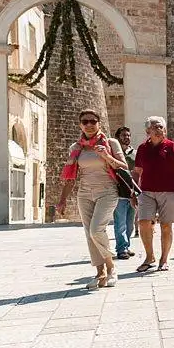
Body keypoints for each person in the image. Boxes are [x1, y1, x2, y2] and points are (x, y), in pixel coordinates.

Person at [56, 110, 128, 290]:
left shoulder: (111, 143)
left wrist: (106, 156)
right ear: (80, 125)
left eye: (92, 121)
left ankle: (111, 268)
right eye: (85, 121)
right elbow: (71, 177)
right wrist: (62, 200)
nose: (89, 125)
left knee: (97, 230)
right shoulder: (76, 148)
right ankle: (100, 273)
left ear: (99, 123)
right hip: (85, 193)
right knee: (89, 234)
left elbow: (124, 166)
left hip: (107, 190)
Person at [133, 116, 174, 273]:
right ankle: (149, 257)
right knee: (143, 222)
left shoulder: (171, 147)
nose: (160, 130)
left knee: (166, 225)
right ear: (148, 131)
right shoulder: (142, 148)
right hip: (146, 191)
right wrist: (132, 191)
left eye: (162, 127)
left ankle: (164, 259)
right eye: (156, 127)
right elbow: (137, 171)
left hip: (168, 191)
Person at [112, 126, 137, 259]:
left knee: (130, 223)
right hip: (119, 192)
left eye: (128, 135)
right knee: (120, 222)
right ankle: (121, 249)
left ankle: (126, 246)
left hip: (133, 191)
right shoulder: (113, 153)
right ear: (118, 137)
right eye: (123, 135)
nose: (126, 137)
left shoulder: (135, 153)